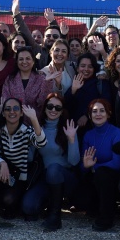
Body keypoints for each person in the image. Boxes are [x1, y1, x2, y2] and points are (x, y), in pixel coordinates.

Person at [0, 98, 46, 233]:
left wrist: (34, 119)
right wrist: (2, 163)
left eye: (16, 109)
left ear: (21, 113)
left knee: (8, 200)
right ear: (3, 113)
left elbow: (41, 143)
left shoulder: (26, 130)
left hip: (16, 177)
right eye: (8, 109)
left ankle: (3, 204)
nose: (12, 112)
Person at [21, 94, 80, 231]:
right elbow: (29, 158)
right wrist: (28, 141)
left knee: (54, 169)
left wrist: (71, 140)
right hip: (47, 176)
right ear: (45, 108)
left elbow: (74, 161)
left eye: (58, 107)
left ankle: (55, 215)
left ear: (62, 110)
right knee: (28, 207)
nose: (53, 110)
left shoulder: (67, 127)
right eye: (50, 106)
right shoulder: (38, 128)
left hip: (65, 176)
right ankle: (48, 202)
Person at [80, 99, 120, 231]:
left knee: (102, 174)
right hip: (94, 178)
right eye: (94, 111)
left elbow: (117, 163)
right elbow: (83, 167)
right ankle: (95, 208)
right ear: (90, 115)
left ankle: (107, 218)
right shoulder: (88, 135)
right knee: (80, 199)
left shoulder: (117, 132)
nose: (98, 114)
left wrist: (95, 167)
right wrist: (87, 166)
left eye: (102, 111)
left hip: (112, 178)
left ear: (108, 114)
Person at [1, 47, 54, 117]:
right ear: (16, 62)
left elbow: (42, 102)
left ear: (33, 61)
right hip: (13, 121)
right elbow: (6, 100)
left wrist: (47, 83)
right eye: (21, 59)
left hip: (35, 122)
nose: (24, 62)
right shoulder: (10, 79)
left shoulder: (41, 78)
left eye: (28, 58)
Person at [64, 53, 112, 128]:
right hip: (74, 130)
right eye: (83, 66)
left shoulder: (101, 84)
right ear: (77, 68)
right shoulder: (73, 82)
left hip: (95, 128)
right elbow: (66, 106)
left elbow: (106, 104)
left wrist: (87, 115)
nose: (86, 69)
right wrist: (73, 90)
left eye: (90, 66)